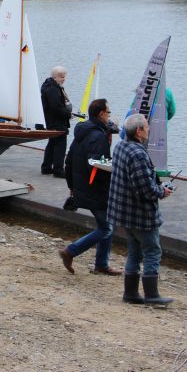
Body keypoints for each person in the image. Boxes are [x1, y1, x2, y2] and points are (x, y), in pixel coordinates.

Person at [107, 113, 174, 306]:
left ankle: (131, 293)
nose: (149, 129)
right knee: (152, 251)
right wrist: (162, 191)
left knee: (134, 251)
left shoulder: (120, 147)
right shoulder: (137, 153)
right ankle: (152, 295)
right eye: (146, 127)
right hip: (140, 214)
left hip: (124, 212)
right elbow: (145, 189)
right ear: (138, 131)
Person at [59, 99, 122, 275]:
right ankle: (71, 251)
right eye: (108, 113)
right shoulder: (97, 136)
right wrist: (112, 179)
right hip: (95, 189)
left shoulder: (83, 131)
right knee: (106, 227)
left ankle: (101, 264)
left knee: (106, 224)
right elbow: (97, 165)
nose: (109, 116)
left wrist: (72, 186)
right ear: (101, 114)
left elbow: (69, 160)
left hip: (82, 186)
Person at [40, 66, 72, 177]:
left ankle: (46, 167)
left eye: (64, 77)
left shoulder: (48, 86)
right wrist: (68, 114)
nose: (64, 79)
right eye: (62, 77)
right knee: (60, 144)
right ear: (56, 77)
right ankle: (58, 169)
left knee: (52, 143)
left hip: (50, 121)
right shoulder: (53, 89)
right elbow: (56, 107)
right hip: (56, 122)